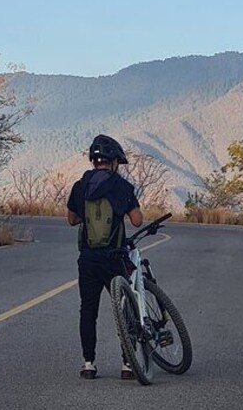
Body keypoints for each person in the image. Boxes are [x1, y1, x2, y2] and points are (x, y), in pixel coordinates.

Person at [67, 134, 143, 380]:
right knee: (125, 308)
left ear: (94, 161)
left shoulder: (80, 186)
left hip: (87, 259)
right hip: (114, 259)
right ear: (113, 162)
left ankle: (88, 363)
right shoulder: (121, 186)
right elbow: (137, 220)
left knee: (88, 311)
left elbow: (71, 219)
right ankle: (127, 364)